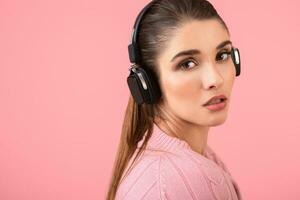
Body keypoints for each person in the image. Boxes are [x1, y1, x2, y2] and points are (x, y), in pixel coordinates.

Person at [106, 0, 242, 199]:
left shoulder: (191, 161)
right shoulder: (180, 180)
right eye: (187, 64)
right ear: (148, 83)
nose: (215, 79)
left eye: (222, 55)